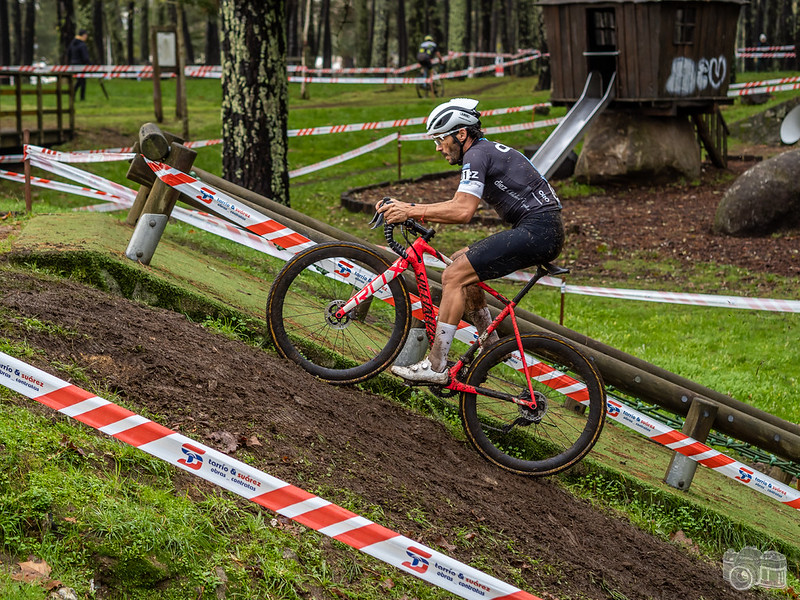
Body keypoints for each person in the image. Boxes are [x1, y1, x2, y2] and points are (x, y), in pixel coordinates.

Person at [377, 98, 564, 384]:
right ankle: (491, 347)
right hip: (540, 229)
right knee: (460, 260)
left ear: (461, 134)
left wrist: (410, 210)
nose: (438, 147)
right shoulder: (482, 151)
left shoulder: (477, 154)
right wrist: (411, 208)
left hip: (538, 231)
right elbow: (457, 203)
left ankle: (436, 365)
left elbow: (463, 211)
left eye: (441, 140)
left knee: (453, 276)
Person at [66, 30, 91, 101]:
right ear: (83, 35)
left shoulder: (72, 43)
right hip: (81, 65)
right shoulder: (82, 45)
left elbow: (68, 53)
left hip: (74, 64)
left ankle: (74, 96)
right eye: (86, 35)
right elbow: (85, 57)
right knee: (81, 82)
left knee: (80, 81)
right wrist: (90, 64)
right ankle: (80, 97)